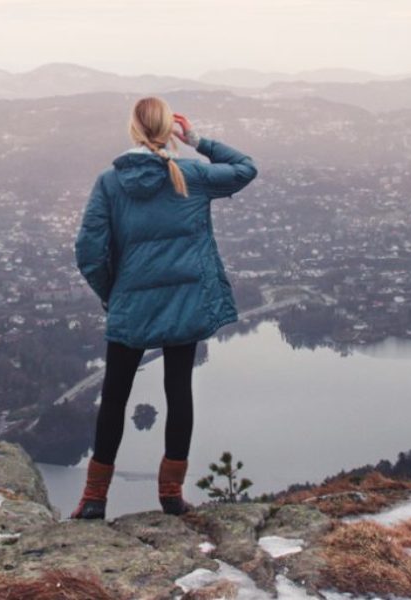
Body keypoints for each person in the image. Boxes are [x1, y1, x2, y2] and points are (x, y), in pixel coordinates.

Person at [70, 96, 259, 519]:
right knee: (179, 392)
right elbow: (246, 168)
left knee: (115, 396)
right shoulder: (191, 173)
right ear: (167, 131)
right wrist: (198, 140)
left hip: (131, 305)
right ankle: (171, 495)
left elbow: (89, 251)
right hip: (184, 304)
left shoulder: (110, 183)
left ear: (134, 130)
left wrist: (111, 292)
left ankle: (94, 498)